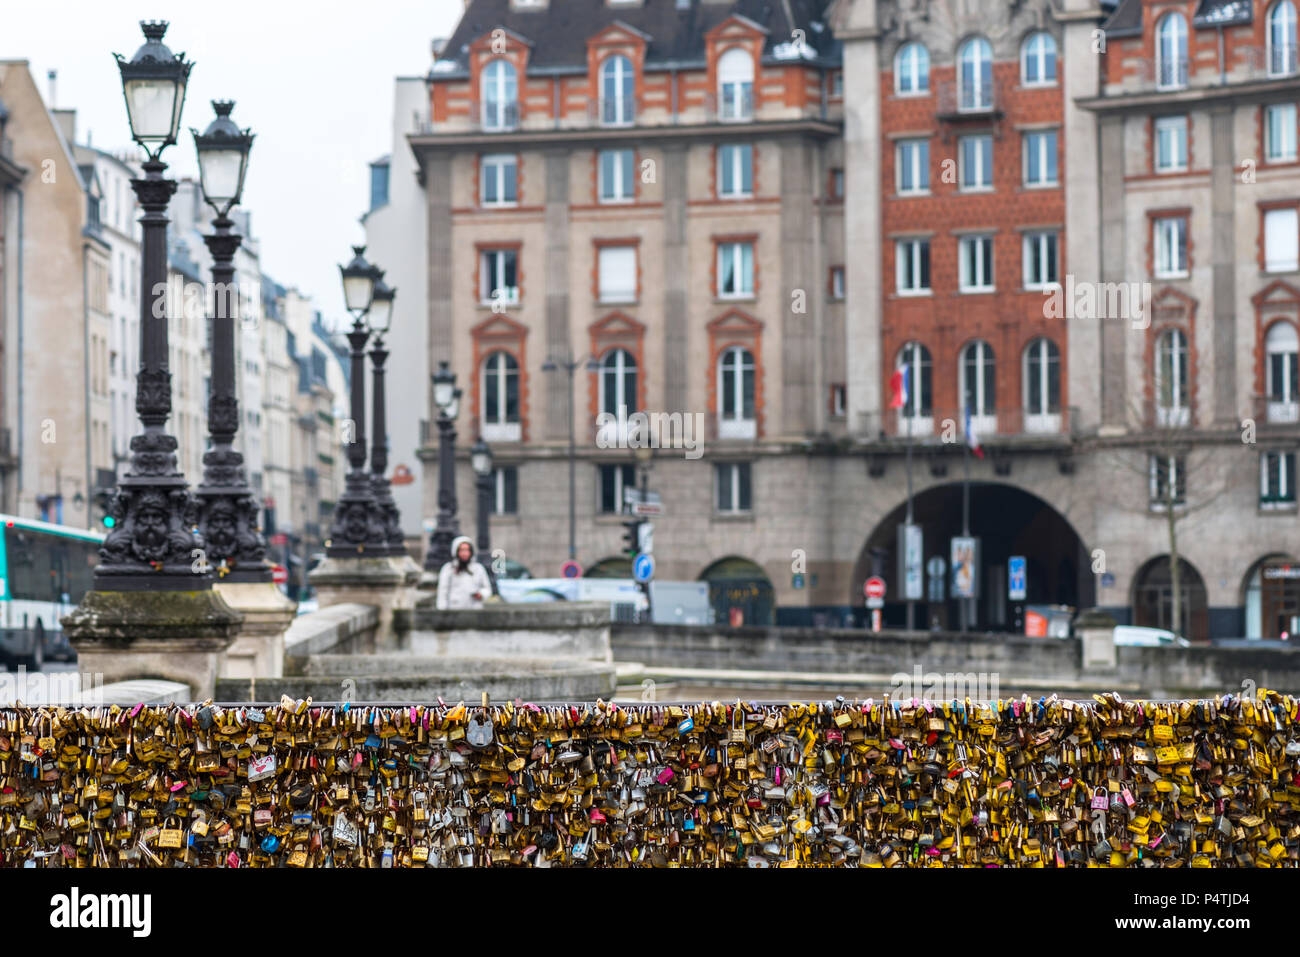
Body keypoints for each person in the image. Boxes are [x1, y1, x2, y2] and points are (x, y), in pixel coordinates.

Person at [436, 536, 492, 610]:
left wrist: (481, 594)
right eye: (461, 550)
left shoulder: (478, 569)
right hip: (454, 611)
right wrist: (442, 611)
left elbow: (487, 588)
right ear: (456, 551)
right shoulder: (448, 569)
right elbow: (443, 592)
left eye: (467, 550)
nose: (464, 553)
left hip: (474, 610)